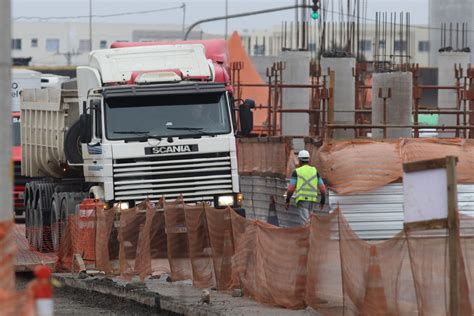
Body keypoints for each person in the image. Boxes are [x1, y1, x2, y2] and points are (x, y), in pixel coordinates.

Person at [285, 150, 327, 224]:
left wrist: (287, 200)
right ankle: (311, 234)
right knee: (309, 220)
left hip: (302, 199)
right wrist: (323, 200)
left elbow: (291, 188)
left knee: (305, 222)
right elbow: (322, 188)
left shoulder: (297, 172)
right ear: (308, 159)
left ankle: (309, 235)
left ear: (299, 160)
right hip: (312, 199)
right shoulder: (315, 171)